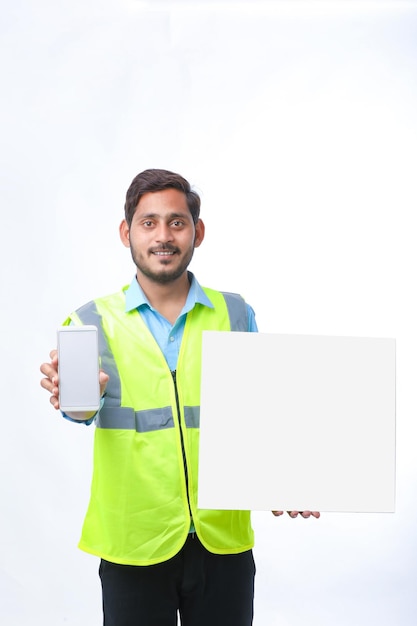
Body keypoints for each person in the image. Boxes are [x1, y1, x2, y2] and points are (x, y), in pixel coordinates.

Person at [40, 169, 320, 626]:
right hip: (134, 542)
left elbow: (260, 413)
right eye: (148, 223)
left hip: (221, 540)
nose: (163, 236)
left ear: (197, 231)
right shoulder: (90, 320)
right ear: (126, 232)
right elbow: (78, 410)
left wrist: (281, 476)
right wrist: (70, 397)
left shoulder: (235, 312)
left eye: (176, 221)